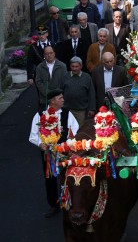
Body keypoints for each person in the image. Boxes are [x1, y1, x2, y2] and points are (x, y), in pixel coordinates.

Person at [29, 89, 79, 218]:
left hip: (64, 151)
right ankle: (53, 205)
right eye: (60, 98)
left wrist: (68, 143)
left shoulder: (67, 113)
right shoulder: (40, 115)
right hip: (48, 153)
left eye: (62, 97)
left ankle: (71, 201)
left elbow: (75, 129)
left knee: (68, 176)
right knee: (50, 179)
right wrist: (40, 143)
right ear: (52, 101)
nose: (63, 100)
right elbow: (33, 134)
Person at [62, 57, 96, 127]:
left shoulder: (87, 77)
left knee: (80, 129)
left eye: (76, 66)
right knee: (68, 128)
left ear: (81, 66)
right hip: (67, 109)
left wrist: (92, 108)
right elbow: (60, 91)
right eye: (73, 66)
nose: (74, 68)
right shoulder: (65, 76)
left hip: (81, 111)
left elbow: (91, 94)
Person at [35, 46, 67, 111]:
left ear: (54, 53)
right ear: (44, 55)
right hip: (45, 100)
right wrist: (47, 93)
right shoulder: (39, 67)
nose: (49, 55)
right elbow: (38, 82)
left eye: (51, 53)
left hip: (58, 99)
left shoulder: (62, 66)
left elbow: (64, 81)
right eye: (46, 54)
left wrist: (56, 94)